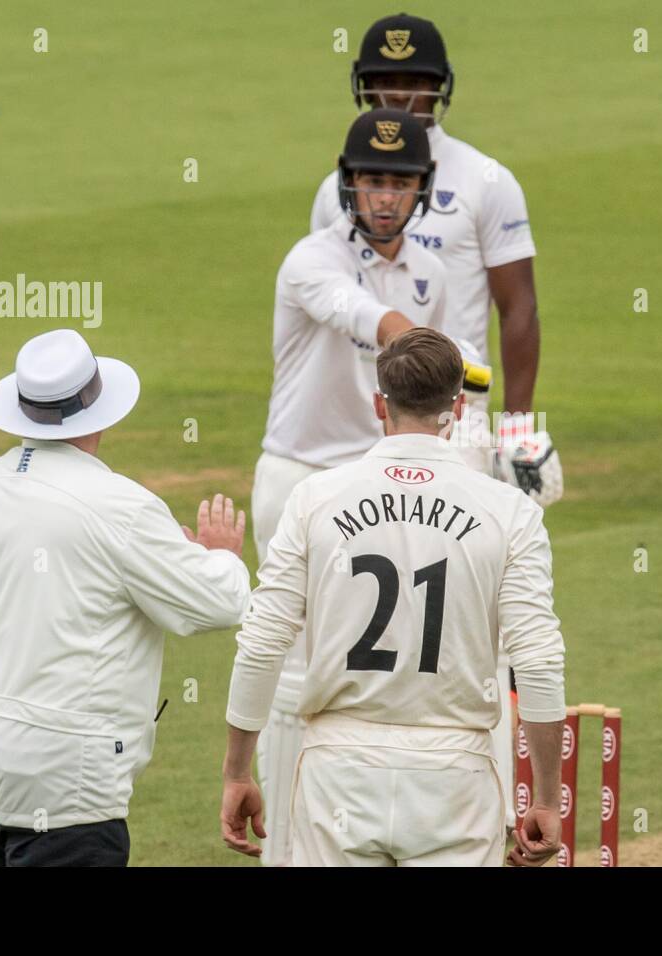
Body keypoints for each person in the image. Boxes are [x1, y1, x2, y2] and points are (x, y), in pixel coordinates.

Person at [310, 14, 562, 839]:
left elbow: (516, 308)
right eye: (384, 85)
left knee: (474, 597)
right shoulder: (340, 181)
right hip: (367, 416)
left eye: (412, 83)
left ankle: (476, 769)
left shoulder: (488, 180)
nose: (398, 95)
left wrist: (520, 429)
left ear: (439, 87)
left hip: (461, 416)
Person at [0, 328, 250, 866]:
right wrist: (222, 557)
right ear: (103, 411)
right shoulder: (123, 507)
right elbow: (218, 604)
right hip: (68, 779)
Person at [222, 328, 565, 866]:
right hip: (455, 777)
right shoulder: (509, 512)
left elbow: (263, 642)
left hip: (339, 773)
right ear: (455, 407)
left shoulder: (315, 498)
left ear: (379, 403)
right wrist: (546, 797)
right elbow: (538, 662)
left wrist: (237, 771)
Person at [250, 106, 451, 864]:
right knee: (296, 666)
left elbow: (460, 378)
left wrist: (498, 448)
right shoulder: (310, 259)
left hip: (383, 480)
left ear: (421, 189)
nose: (384, 198)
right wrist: (427, 344)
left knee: (379, 661)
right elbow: (365, 318)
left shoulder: (434, 270)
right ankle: (287, 850)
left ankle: (368, 833)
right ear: (348, 185)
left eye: (399, 183)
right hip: (298, 475)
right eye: (372, 180)